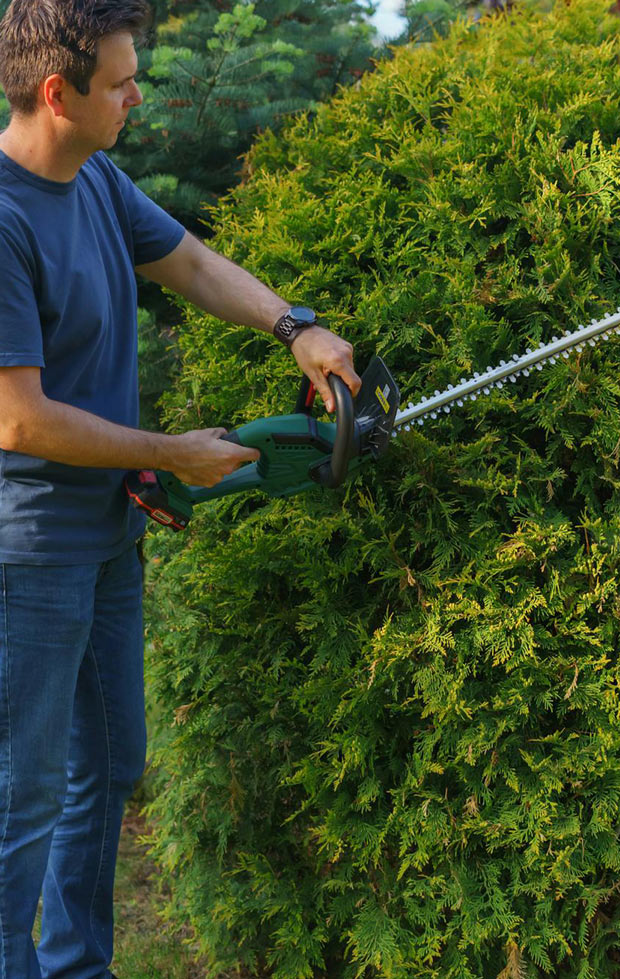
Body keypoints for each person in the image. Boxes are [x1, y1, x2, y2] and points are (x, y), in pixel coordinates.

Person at [0, 2, 361, 977]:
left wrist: (298, 327)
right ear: (55, 92)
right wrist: (171, 449)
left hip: (109, 532)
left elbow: (191, 262)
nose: (135, 95)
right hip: (27, 555)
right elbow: (18, 421)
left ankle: (79, 963)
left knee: (111, 765)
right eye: (120, 82)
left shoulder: (96, 180)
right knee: (19, 793)